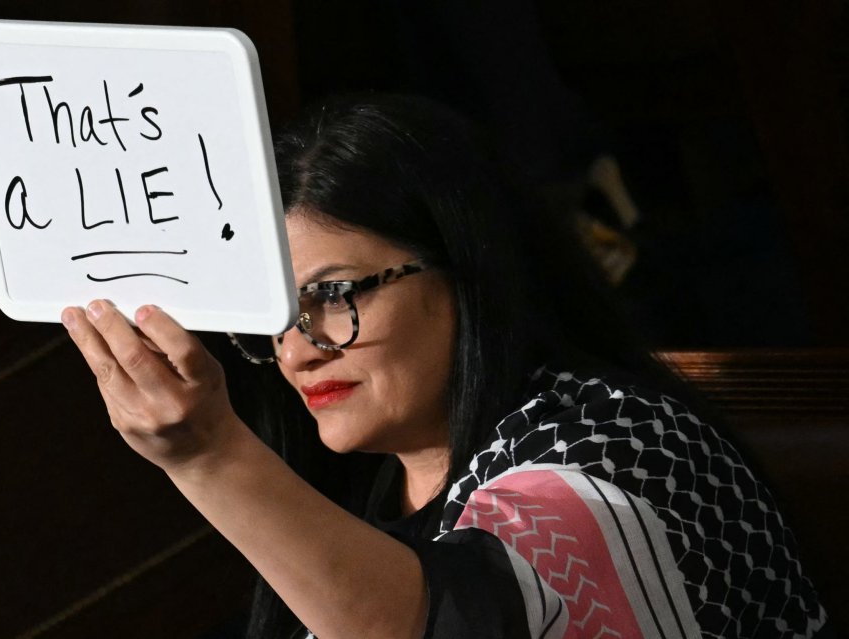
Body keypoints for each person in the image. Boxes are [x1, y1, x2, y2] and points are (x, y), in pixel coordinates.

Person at [61, 94, 826, 638]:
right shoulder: (363, 490)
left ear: (467, 269)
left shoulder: (617, 442)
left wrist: (209, 455)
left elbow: (449, 621)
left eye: (333, 295)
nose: (297, 350)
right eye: (275, 317)